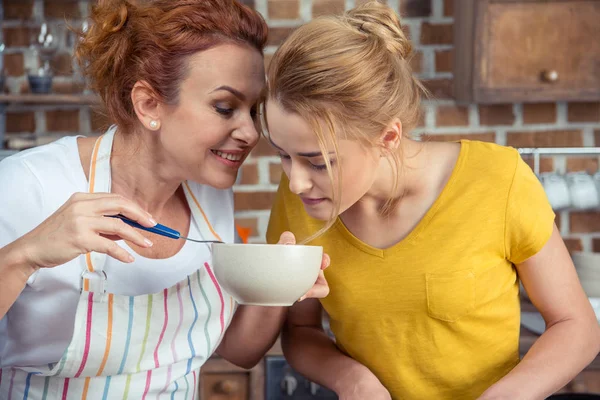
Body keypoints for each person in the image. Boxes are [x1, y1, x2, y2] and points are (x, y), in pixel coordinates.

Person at [264, 2, 600, 399]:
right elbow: (301, 331)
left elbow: (575, 325)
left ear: (388, 137)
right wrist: (350, 378)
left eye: (318, 162)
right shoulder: (298, 202)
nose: (297, 182)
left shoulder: (496, 179)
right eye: (283, 155)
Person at [0, 0, 329, 398]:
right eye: (225, 107)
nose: (249, 132)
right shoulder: (28, 186)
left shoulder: (210, 196)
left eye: (253, 110)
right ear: (149, 104)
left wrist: (280, 284)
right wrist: (23, 256)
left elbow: (238, 351)